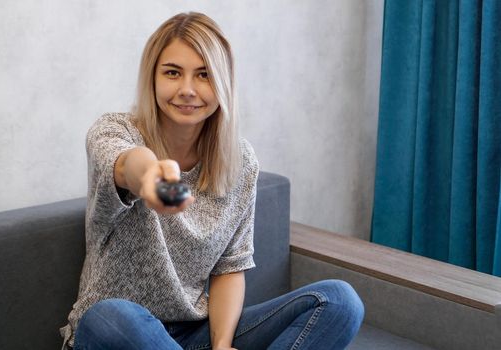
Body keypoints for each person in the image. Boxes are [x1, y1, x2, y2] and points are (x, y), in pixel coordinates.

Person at [60, 12, 364, 350]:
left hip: (194, 335)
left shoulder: (240, 162)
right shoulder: (115, 130)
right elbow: (125, 163)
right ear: (152, 78)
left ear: (222, 82)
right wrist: (150, 178)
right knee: (110, 316)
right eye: (173, 73)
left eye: (204, 75)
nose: (187, 89)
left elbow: (229, 267)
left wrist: (221, 345)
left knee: (339, 301)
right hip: (117, 335)